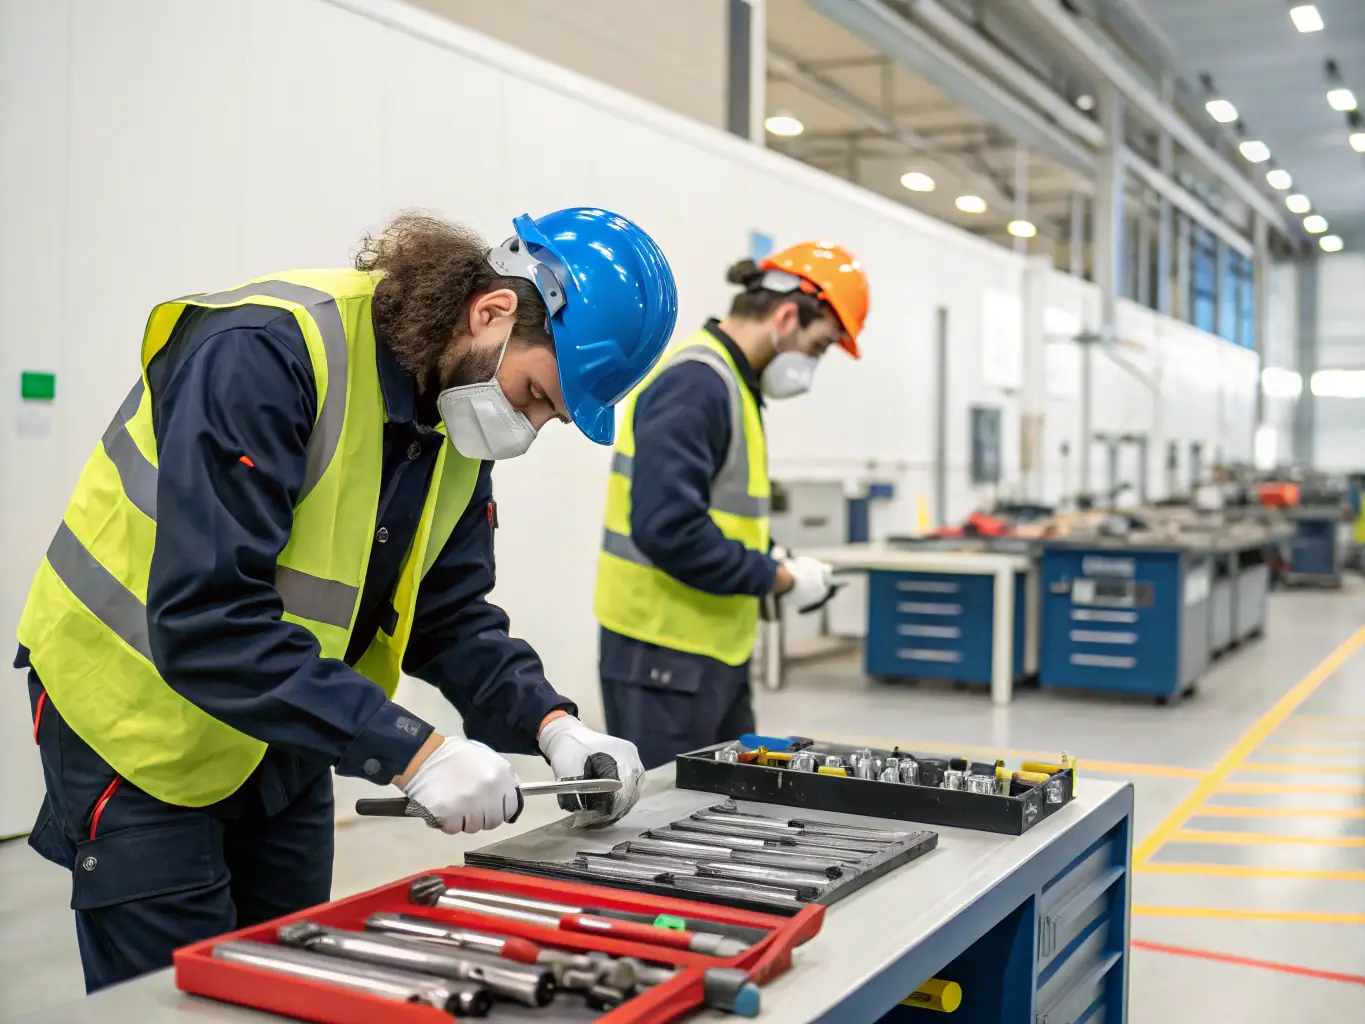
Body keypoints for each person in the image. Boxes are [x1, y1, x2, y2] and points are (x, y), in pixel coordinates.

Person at [17, 208, 677, 992]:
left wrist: (553, 724)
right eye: (535, 393)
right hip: (135, 723)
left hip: (282, 737)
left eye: (551, 418)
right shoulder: (265, 352)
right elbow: (207, 620)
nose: (528, 428)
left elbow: (450, 614)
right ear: (492, 311)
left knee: (289, 980)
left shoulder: (453, 414)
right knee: (176, 1000)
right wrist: (414, 751)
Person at [593, 241, 870, 769]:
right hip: (664, 657)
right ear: (786, 316)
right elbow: (668, 528)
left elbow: (716, 513)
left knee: (721, 811)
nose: (812, 365)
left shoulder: (731, 384)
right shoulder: (698, 385)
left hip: (707, 654)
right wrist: (777, 578)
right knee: (665, 832)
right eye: (818, 347)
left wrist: (773, 555)